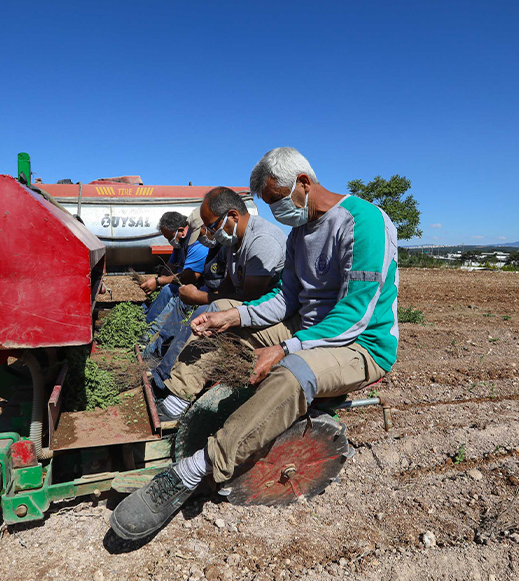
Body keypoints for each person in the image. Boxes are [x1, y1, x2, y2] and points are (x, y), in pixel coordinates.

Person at [110, 147, 400, 540]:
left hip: (360, 344)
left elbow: (355, 314)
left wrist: (286, 348)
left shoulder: (364, 222)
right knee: (224, 312)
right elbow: (286, 301)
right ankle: (176, 404)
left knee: (292, 373)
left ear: (303, 183)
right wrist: (232, 316)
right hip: (309, 329)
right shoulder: (299, 234)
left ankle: (194, 470)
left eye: (276, 200)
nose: (276, 210)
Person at [148, 186, 287, 401]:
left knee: (210, 311)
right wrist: (203, 298)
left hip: (271, 311)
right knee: (204, 309)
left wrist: (198, 297)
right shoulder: (231, 243)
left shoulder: (262, 242)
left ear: (232, 215)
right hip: (250, 306)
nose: (209, 232)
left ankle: (177, 393)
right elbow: (230, 287)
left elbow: (249, 298)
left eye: (212, 226)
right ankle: (163, 374)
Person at [140, 209, 209, 328]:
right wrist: (158, 280)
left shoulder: (196, 243)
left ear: (181, 230)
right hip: (181, 282)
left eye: (169, 237)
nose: (168, 241)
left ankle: (151, 329)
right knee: (162, 292)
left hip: (196, 286)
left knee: (168, 290)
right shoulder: (180, 242)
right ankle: (144, 321)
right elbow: (170, 265)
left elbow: (189, 276)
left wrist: (158, 282)